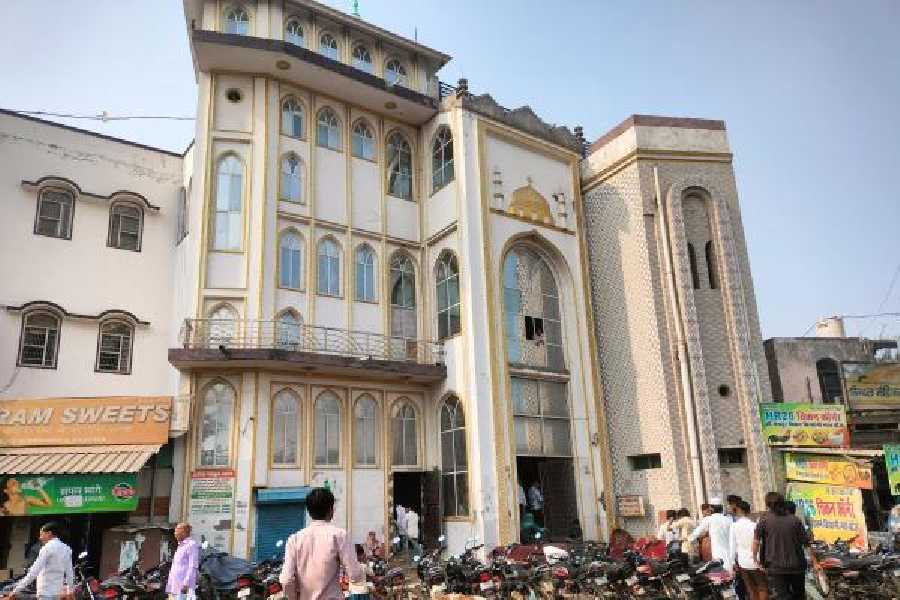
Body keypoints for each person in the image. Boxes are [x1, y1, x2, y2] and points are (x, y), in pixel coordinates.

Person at [280, 487, 364, 600]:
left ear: (309, 511)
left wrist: (293, 597)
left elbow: (286, 580)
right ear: (331, 509)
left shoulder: (294, 539)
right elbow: (355, 575)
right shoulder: (339, 535)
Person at [753, 493, 810, 600]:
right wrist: (815, 562)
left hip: (776, 567)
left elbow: (756, 541)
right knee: (799, 595)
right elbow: (806, 543)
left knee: (783, 596)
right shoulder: (795, 520)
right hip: (797, 566)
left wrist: (755, 558)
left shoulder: (764, 520)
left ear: (767, 504)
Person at [9, 521, 74, 600]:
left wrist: (15, 590)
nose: (40, 538)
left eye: (41, 534)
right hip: (57, 593)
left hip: (45, 592)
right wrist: (70, 590)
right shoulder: (67, 549)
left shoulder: (47, 548)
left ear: (49, 533)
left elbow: (33, 572)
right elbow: (69, 572)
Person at [728, 501, 767, 600]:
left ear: (739, 511)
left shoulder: (734, 526)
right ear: (748, 511)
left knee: (750, 589)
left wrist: (732, 562)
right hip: (756, 561)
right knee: (762, 588)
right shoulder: (754, 525)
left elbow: (732, 545)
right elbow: (760, 544)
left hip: (743, 562)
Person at [689, 499, 732, 564]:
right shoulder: (728, 519)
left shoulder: (709, 519)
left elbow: (696, 533)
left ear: (711, 508)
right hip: (730, 555)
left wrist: (688, 539)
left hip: (718, 555)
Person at [166, 522, 200, 600]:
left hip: (184, 588)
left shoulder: (191, 545)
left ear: (184, 532)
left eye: (177, 531)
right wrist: (169, 587)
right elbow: (175, 568)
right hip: (175, 587)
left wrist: (186, 583)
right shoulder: (180, 546)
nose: (175, 534)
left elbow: (193, 565)